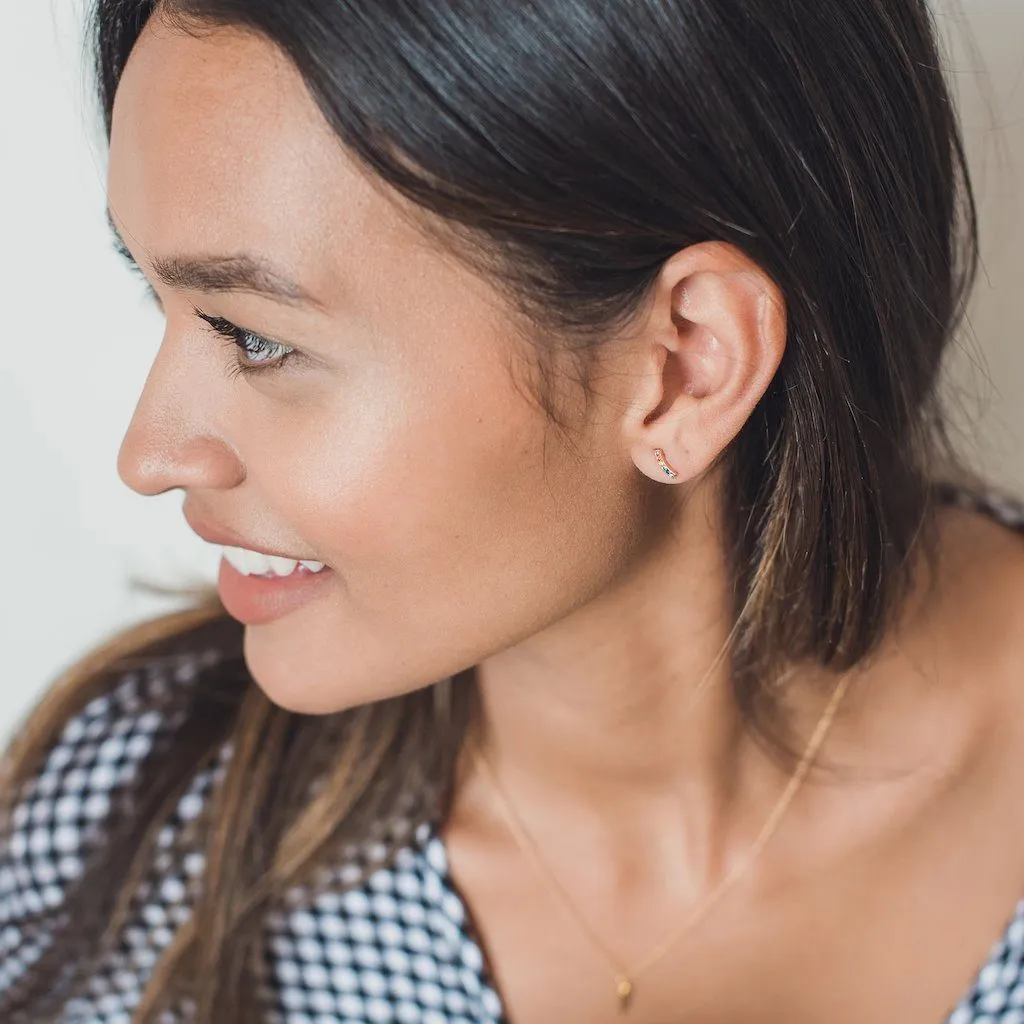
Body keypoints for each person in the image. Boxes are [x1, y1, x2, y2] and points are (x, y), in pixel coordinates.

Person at [2, 0, 1023, 1021]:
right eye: (157, 295)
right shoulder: (131, 831)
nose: (149, 455)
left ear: (684, 367)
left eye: (256, 337)